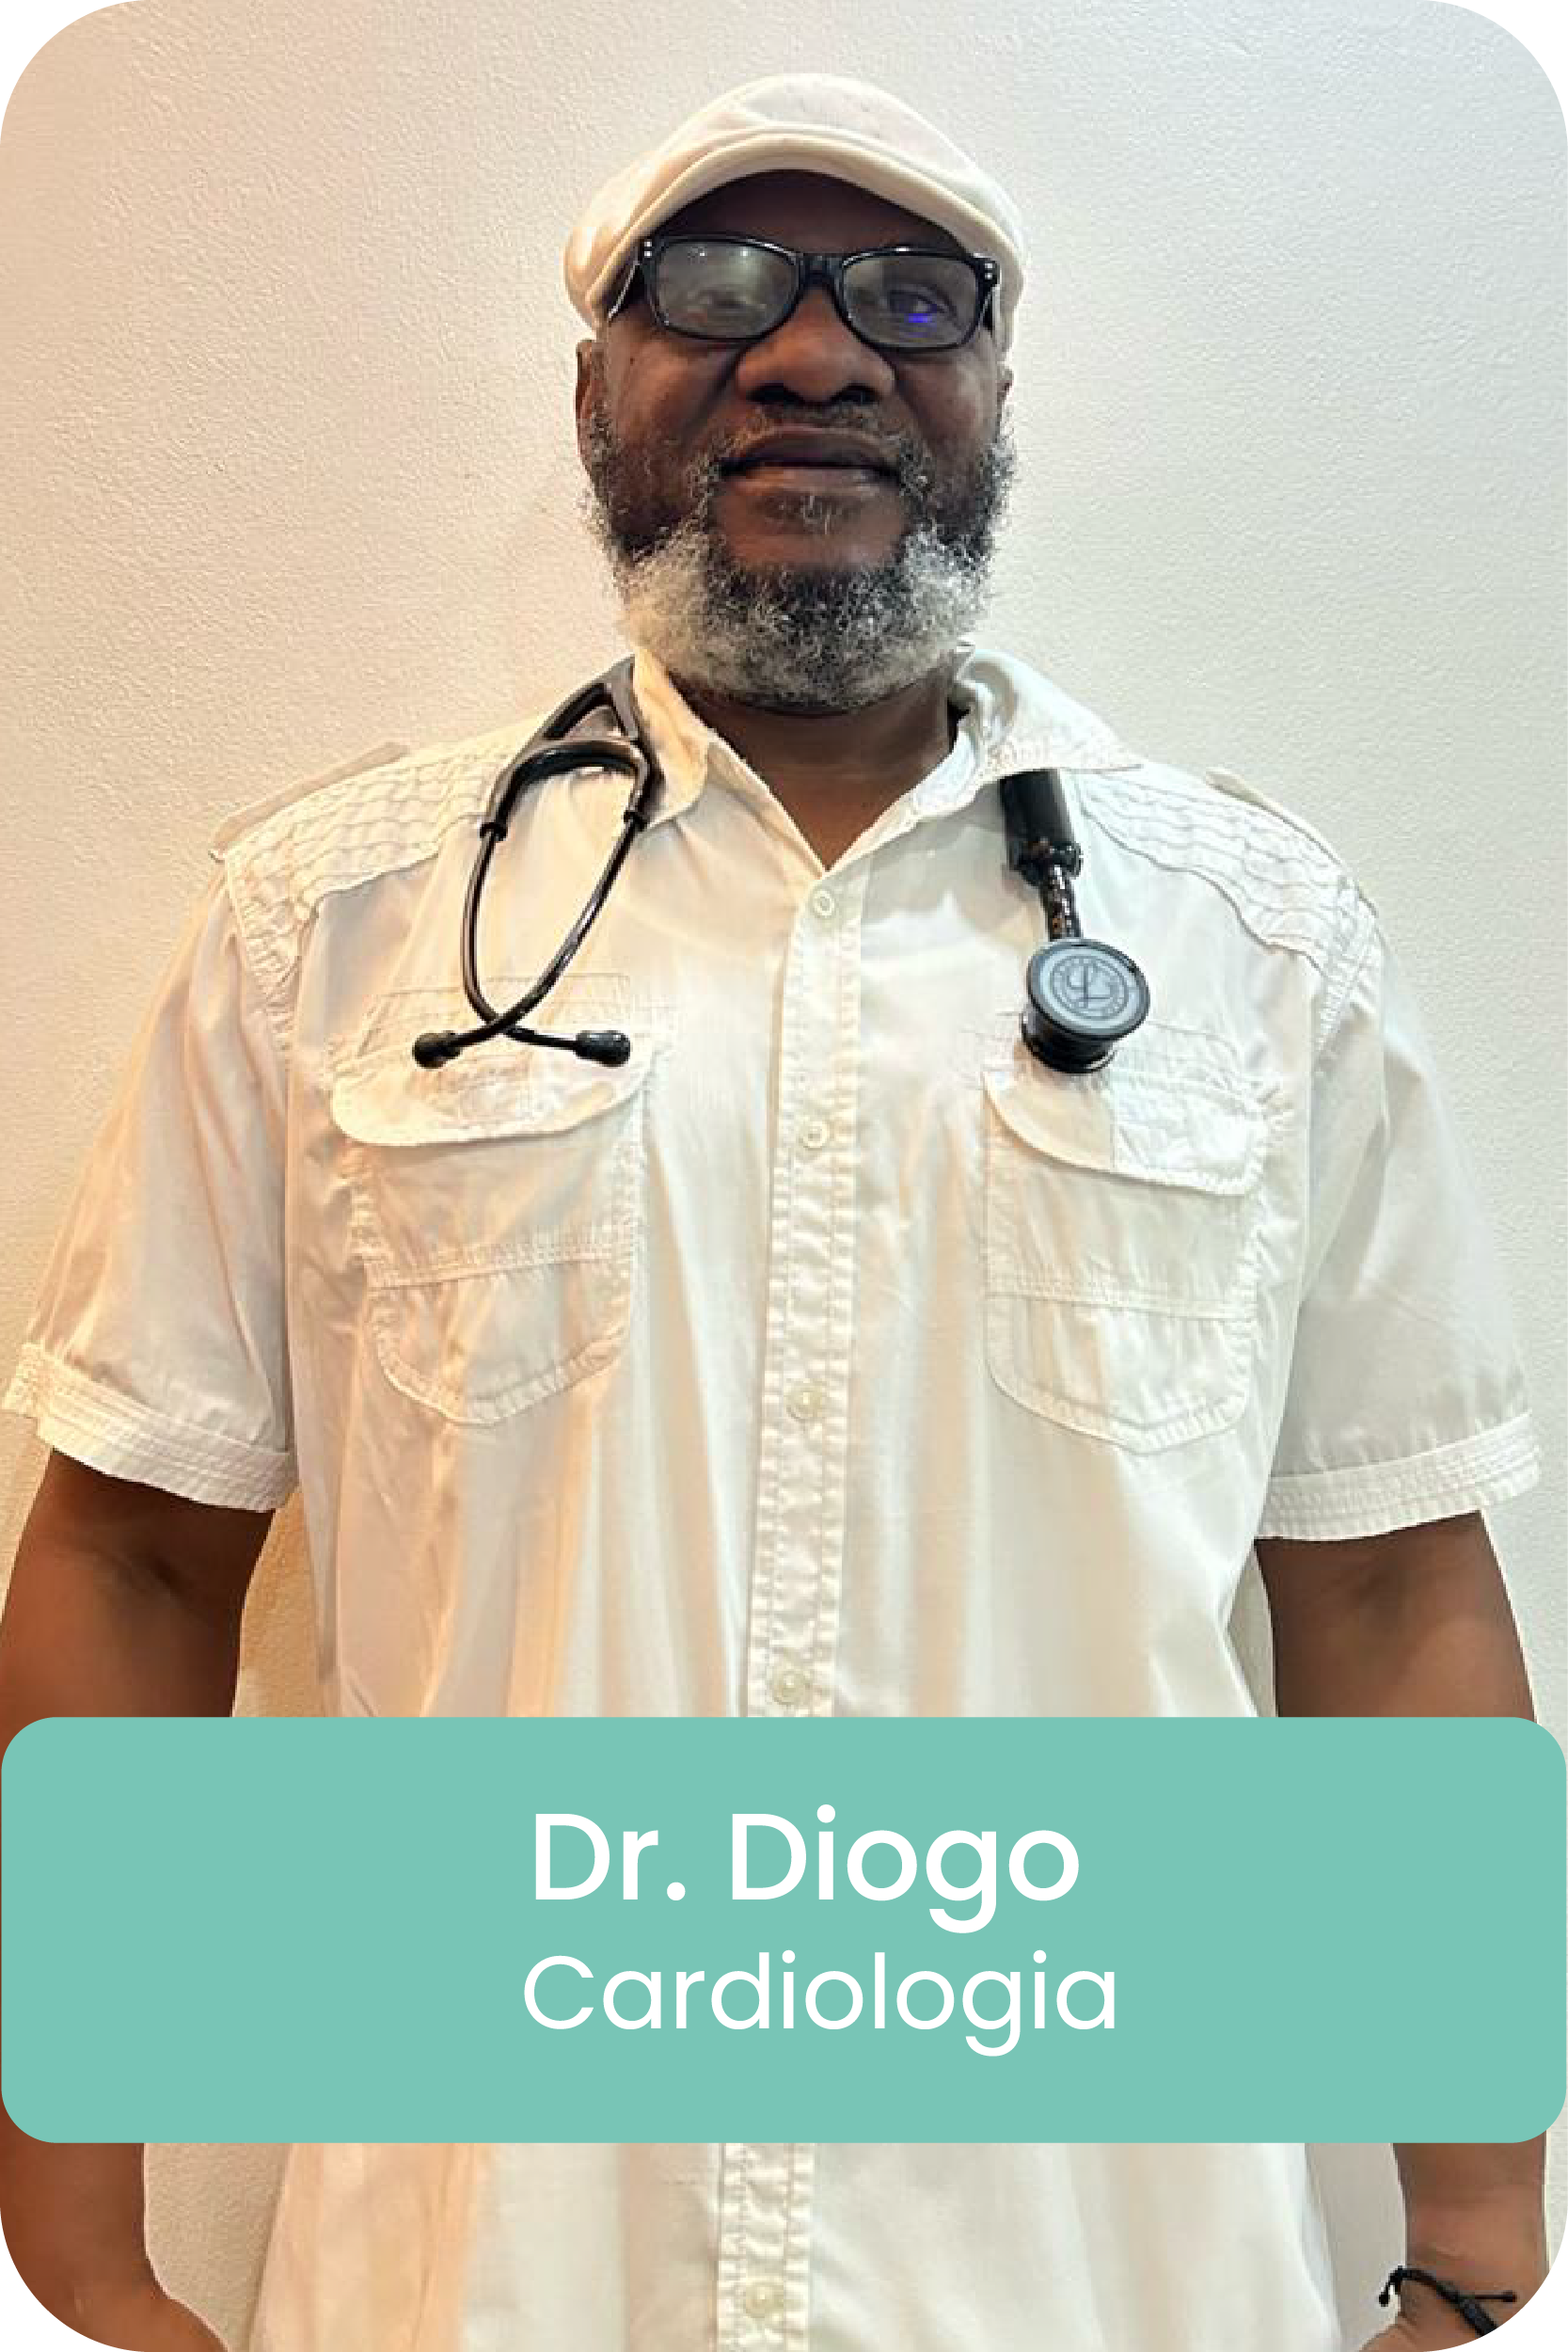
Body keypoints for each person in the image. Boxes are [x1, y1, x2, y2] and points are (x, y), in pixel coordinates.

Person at [0, 69, 1551, 2352]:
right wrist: (69, 2260)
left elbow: (1389, 1583)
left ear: (993, 393)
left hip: (1094, 2284)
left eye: (908, 299)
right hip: (487, 2281)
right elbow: (133, 1555)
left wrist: (1482, 2247)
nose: (811, 354)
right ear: (594, 390)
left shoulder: (1254, 942)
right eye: (713, 287)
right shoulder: (332, 929)